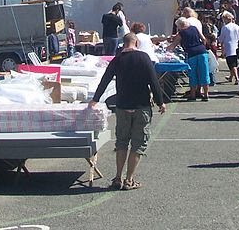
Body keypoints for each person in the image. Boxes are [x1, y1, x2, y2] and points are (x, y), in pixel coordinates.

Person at [90, 33, 165, 190]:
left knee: (122, 142)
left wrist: (95, 99)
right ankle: (129, 180)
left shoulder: (117, 59)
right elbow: (153, 81)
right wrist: (160, 102)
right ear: (136, 43)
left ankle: (118, 177)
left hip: (123, 106)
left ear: (123, 44)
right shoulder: (144, 58)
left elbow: (105, 80)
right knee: (138, 143)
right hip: (141, 106)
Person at [167, 16, 210, 101]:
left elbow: (173, 45)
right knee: (204, 73)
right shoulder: (194, 28)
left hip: (191, 54)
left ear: (180, 26)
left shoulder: (182, 33)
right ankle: (206, 94)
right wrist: (203, 47)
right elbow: (204, 39)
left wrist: (166, 48)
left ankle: (193, 95)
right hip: (201, 51)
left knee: (192, 74)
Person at [218, 11, 239, 84]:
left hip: (229, 47)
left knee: (232, 64)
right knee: (234, 62)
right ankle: (231, 77)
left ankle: (237, 78)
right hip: (237, 46)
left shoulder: (225, 27)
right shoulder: (237, 26)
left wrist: (218, 41)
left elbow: (221, 38)